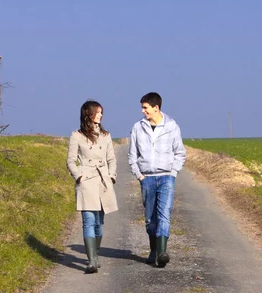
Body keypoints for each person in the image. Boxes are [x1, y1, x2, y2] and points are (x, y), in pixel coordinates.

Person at [128, 92, 186, 267]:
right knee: (150, 218)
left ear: (156, 108)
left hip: (166, 177)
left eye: (145, 108)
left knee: (164, 214)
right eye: (142, 107)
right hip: (147, 178)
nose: (142, 111)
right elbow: (132, 155)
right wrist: (140, 176)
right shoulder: (138, 127)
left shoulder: (172, 126)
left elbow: (180, 152)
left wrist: (173, 172)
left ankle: (162, 253)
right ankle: (153, 249)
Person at [67, 100, 118, 274]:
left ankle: (95, 254)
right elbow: (70, 160)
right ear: (88, 113)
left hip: (103, 181)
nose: (101, 115)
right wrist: (79, 176)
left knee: (99, 223)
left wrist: (111, 176)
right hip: (87, 181)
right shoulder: (76, 136)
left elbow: (111, 158)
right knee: (88, 220)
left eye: (102, 112)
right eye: (98, 112)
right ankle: (91, 261)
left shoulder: (106, 135)